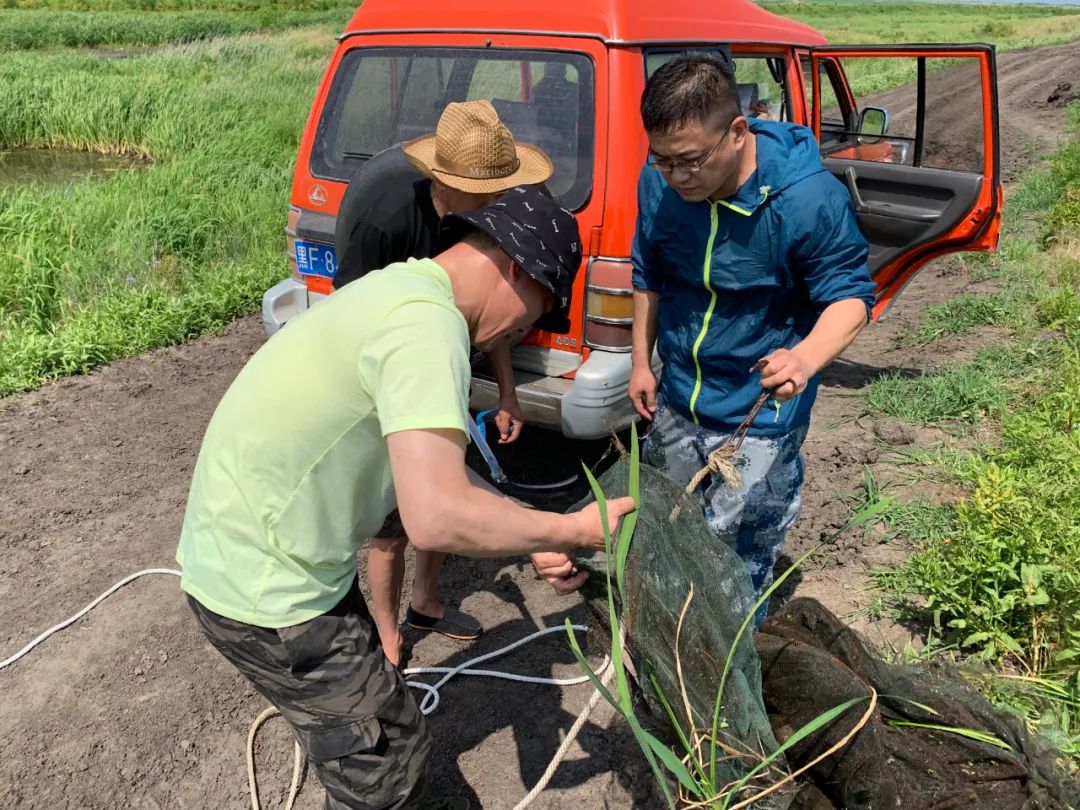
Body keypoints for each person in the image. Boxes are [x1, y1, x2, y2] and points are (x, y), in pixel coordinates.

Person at [177, 185, 635, 810]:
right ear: (514, 268)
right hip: (269, 592)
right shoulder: (428, 328)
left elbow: (436, 478)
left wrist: (534, 528)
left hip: (269, 553)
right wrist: (576, 533)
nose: (521, 331)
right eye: (531, 315)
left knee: (385, 727)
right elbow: (435, 517)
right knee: (385, 774)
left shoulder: (403, 292)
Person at [628, 54, 876, 624]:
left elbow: (851, 296)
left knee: (737, 554)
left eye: (690, 161)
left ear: (738, 132)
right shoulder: (660, 183)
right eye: (662, 160)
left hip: (756, 414)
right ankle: (676, 637)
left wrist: (805, 357)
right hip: (677, 397)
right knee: (671, 529)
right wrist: (642, 363)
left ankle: (731, 665)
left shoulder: (805, 199)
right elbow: (650, 274)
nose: (677, 176)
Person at [332, 100, 556, 657]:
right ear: (449, 181)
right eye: (495, 189)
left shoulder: (482, 220)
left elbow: (489, 320)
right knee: (394, 518)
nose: (505, 198)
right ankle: (387, 636)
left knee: (448, 483)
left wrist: (507, 392)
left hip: (446, 364)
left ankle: (425, 603)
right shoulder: (386, 221)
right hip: (388, 380)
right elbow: (352, 322)